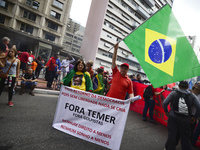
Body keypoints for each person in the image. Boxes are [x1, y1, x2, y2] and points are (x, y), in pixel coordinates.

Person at [163, 81, 200, 150]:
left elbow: (165, 103)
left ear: (179, 86)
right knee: (185, 138)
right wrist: (195, 117)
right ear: (187, 87)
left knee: (172, 135)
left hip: (173, 117)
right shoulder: (192, 96)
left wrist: (166, 111)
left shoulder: (174, 93)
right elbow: (198, 107)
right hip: (185, 120)